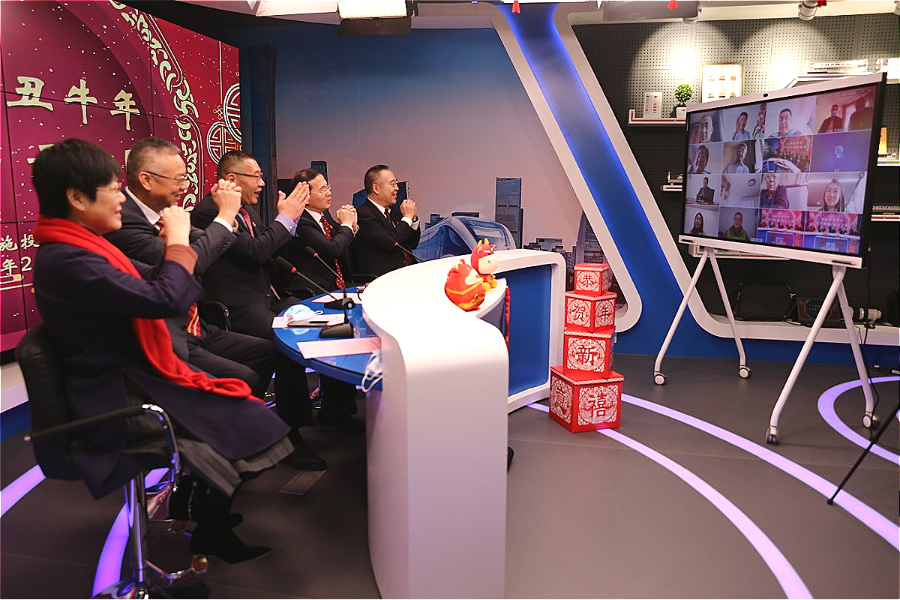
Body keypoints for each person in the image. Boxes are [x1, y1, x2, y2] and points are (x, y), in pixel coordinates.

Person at [30, 139, 293, 563]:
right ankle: (207, 520)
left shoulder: (82, 247)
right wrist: (179, 243)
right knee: (242, 410)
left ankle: (204, 512)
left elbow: (162, 285)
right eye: (112, 189)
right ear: (77, 198)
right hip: (116, 397)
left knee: (245, 405)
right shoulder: (68, 259)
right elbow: (167, 296)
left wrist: (177, 251)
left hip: (129, 374)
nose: (121, 197)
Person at [191, 151, 337, 458]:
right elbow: (255, 251)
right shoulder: (209, 212)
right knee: (286, 346)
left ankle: (334, 410)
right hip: (236, 306)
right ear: (232, 179)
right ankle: (288, 436)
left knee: (320, 318)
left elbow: (267, 250)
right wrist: (287, 219)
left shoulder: (248, 211)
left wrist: (286, 224)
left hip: (268, 296)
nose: (261, 183)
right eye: (256, 176)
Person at [278, 168, 363, 430]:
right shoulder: (301, 222)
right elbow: (331, 249)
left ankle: (339, 406)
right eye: (323, 189)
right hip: (310, 296)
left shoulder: (324, 219)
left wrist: (349, 228)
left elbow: (342, 250)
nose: (329, 193)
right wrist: (346, 227)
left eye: (328, 187)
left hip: (332, 290)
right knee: (339, 337)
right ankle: (334, 411)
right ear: (305, 194)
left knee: (351, 331)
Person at [351, 164, 421, 277]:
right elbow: (391, 242)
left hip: (408, 274)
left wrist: (413, 219)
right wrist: (407, 218)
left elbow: (412, 244)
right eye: (392, 184)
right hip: (384, 278)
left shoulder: (395, 213)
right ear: (376, 188)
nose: (397, 188)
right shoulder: (363, 215)